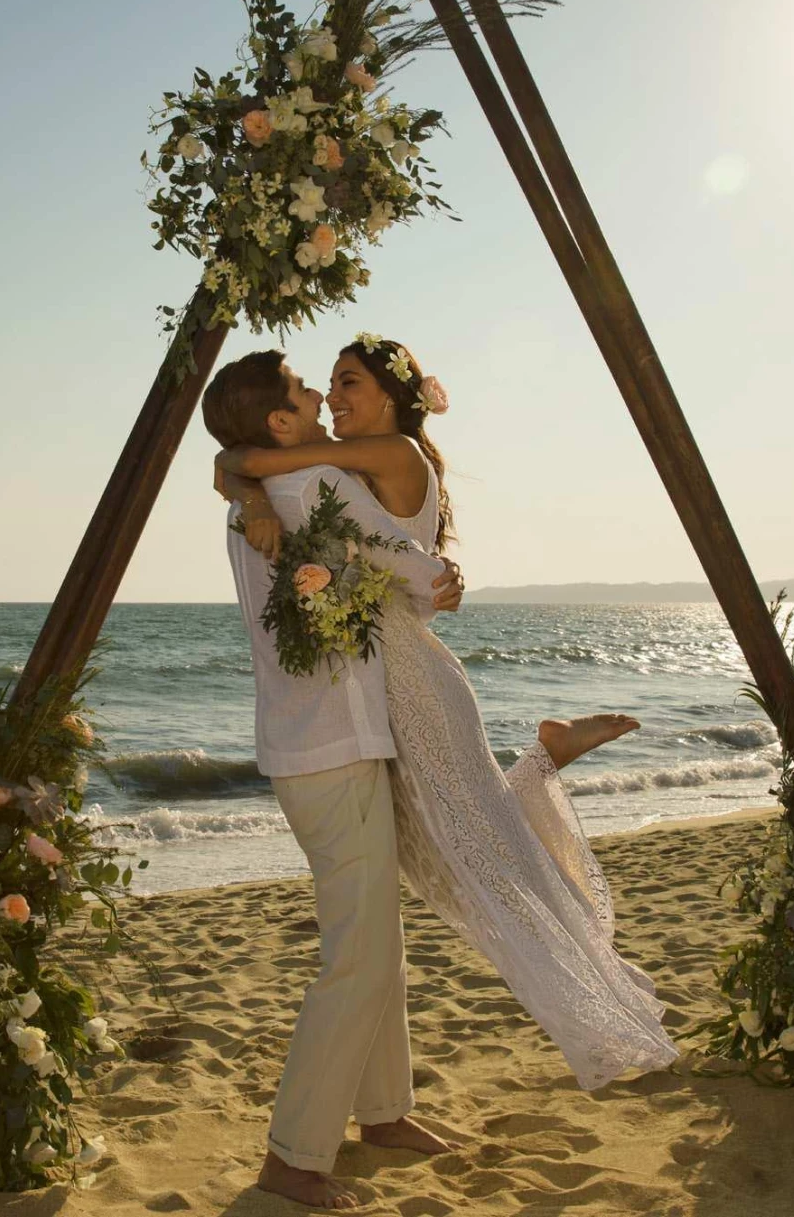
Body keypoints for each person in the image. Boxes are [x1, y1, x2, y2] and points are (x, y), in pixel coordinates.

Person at [215, 337, 680, 1101]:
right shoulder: (335, 464)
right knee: (463, 851)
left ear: (395, 399)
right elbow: (266, 473)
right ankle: (543, 763)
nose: (331, 398)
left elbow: (301, 494)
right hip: (384, 688)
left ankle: (545, 768)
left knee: (485, 854)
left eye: (346, 382)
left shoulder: (375, 453)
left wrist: (241, 472)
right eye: (322, 384)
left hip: (407, 682)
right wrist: (243, 479)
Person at [201, 349, 466, 1211]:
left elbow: (238, 468)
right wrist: (439, 578)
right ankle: (293, 1158)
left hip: (311, 743)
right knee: (358, 953)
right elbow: (399, 562)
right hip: (334, 744)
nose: (319, 390)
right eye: (305, 388)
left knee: (370, 934)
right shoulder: (310, 482)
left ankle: (384, 1112)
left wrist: (238, 478)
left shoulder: (268, 486)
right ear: (282, 422)